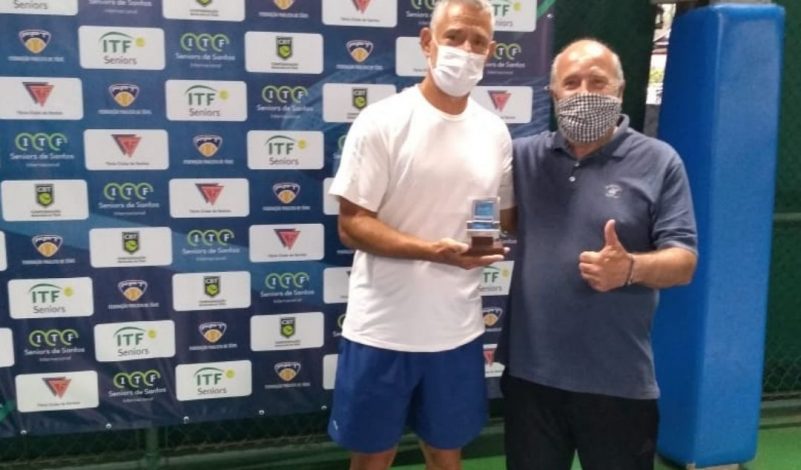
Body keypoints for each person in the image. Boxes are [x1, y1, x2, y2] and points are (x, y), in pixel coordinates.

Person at [327, 1, 514, 469]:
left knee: (446, 454)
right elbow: (352, 223)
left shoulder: (494, 132)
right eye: (454, 37)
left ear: (490, 52)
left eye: (477, 41)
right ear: (428, 42)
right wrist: (433, 251)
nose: (465, 50)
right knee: (372, 458)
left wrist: (486, 243)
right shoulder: (382, 121)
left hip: (457, 330)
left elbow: (498, 215)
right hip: (382, 330)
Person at [497, 39, 698, 470]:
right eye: (571, 83)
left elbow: (683, 263)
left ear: (619, 91)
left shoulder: (659, 161)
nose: (584, 92)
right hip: (532, 380)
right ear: (553, 94)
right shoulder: (523, 157)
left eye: (597, 82)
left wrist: (630, 268)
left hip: (617, 382)